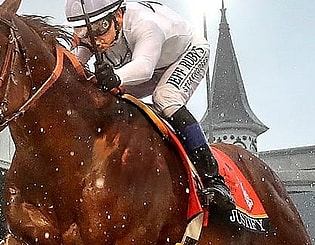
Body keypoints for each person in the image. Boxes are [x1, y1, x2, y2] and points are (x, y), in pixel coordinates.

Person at [65, 0, 235, 214]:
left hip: (185, 53)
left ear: (118, 16)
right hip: (145, 64)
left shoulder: (144, 24)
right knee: (106, 99)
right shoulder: (93, 35)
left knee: (165, 98)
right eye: (85, 31)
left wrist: (116, 77)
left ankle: (213, 178)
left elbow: (144, 67)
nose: (95, 40)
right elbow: (73, 69)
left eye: (100, 28)